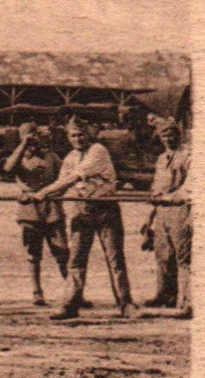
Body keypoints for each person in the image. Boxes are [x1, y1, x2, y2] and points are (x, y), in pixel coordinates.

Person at [34, 115, 136, 320]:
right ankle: (70, 304)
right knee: (76, 259)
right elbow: (63, 182)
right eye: (73, 135)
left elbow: (74, 178)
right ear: (68, 137)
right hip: (82, 209)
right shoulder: (71, 157)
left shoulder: (98, 151)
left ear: (88, 135)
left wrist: (44, 192)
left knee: (114, 259)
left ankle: (126, 304)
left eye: (81, 134)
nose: (78, 139)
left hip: (105, 208)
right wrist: (40, 194)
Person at [0, 121, 69, 306]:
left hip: (52, 209)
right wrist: (23, 145)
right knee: (33, 254)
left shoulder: (51, 157)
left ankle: (72, 292)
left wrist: (58, 193)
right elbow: (7, 169)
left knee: (62, 252)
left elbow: (66, 177)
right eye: (29, 137)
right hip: (29, 211)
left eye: (36, 135)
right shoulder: (18, 158)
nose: (34, 141)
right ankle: (37, 292)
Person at [142, 117, 191, 317]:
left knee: (183, 255)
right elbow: (156, 190)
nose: (168, 139)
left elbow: (188, 189)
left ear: (178, 136)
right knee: (162, 255)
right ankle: (165, 295)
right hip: (161, 211)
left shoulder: (187, 157)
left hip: (179, 210)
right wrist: (149, 219)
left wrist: (169, 198)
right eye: (164, 135)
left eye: (172, 135)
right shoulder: (161, 159)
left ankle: (186, 299)